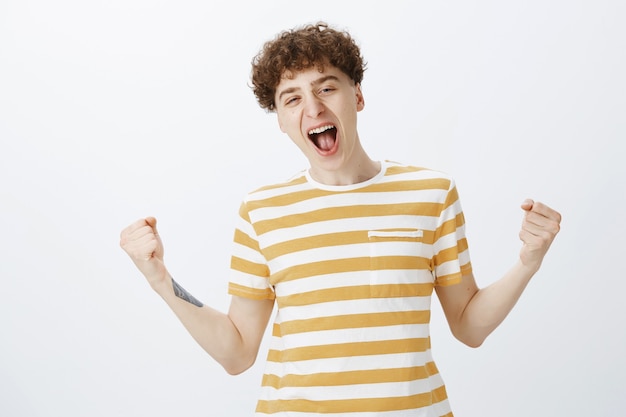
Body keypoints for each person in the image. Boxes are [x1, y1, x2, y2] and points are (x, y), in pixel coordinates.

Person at [120, 22, 561, 416]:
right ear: (281, 121)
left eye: (326, 88)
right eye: (292, 98)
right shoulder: (261, 211)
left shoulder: (431, 194)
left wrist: (528, 261)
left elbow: (468, 326)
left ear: (358, 95)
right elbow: (236, 353)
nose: (312, 108)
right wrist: (161, 280)